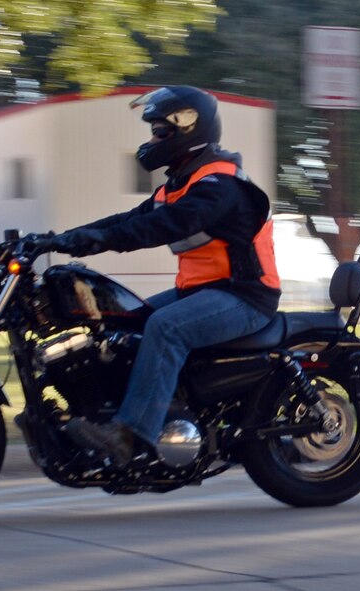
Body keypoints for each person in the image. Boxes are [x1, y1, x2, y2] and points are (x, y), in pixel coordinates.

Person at [52, 86, 281, 468]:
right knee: (123, 324)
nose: (152, 140)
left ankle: (129, 436)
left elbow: (160, 226)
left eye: (159, 131)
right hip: (201, 292)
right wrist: (59, 240)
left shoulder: (219, 185)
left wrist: (88, 242)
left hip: (245, 297)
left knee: (165, 327)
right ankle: (126, 411)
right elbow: (128, 220)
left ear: (186, 128)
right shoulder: (179, 184)